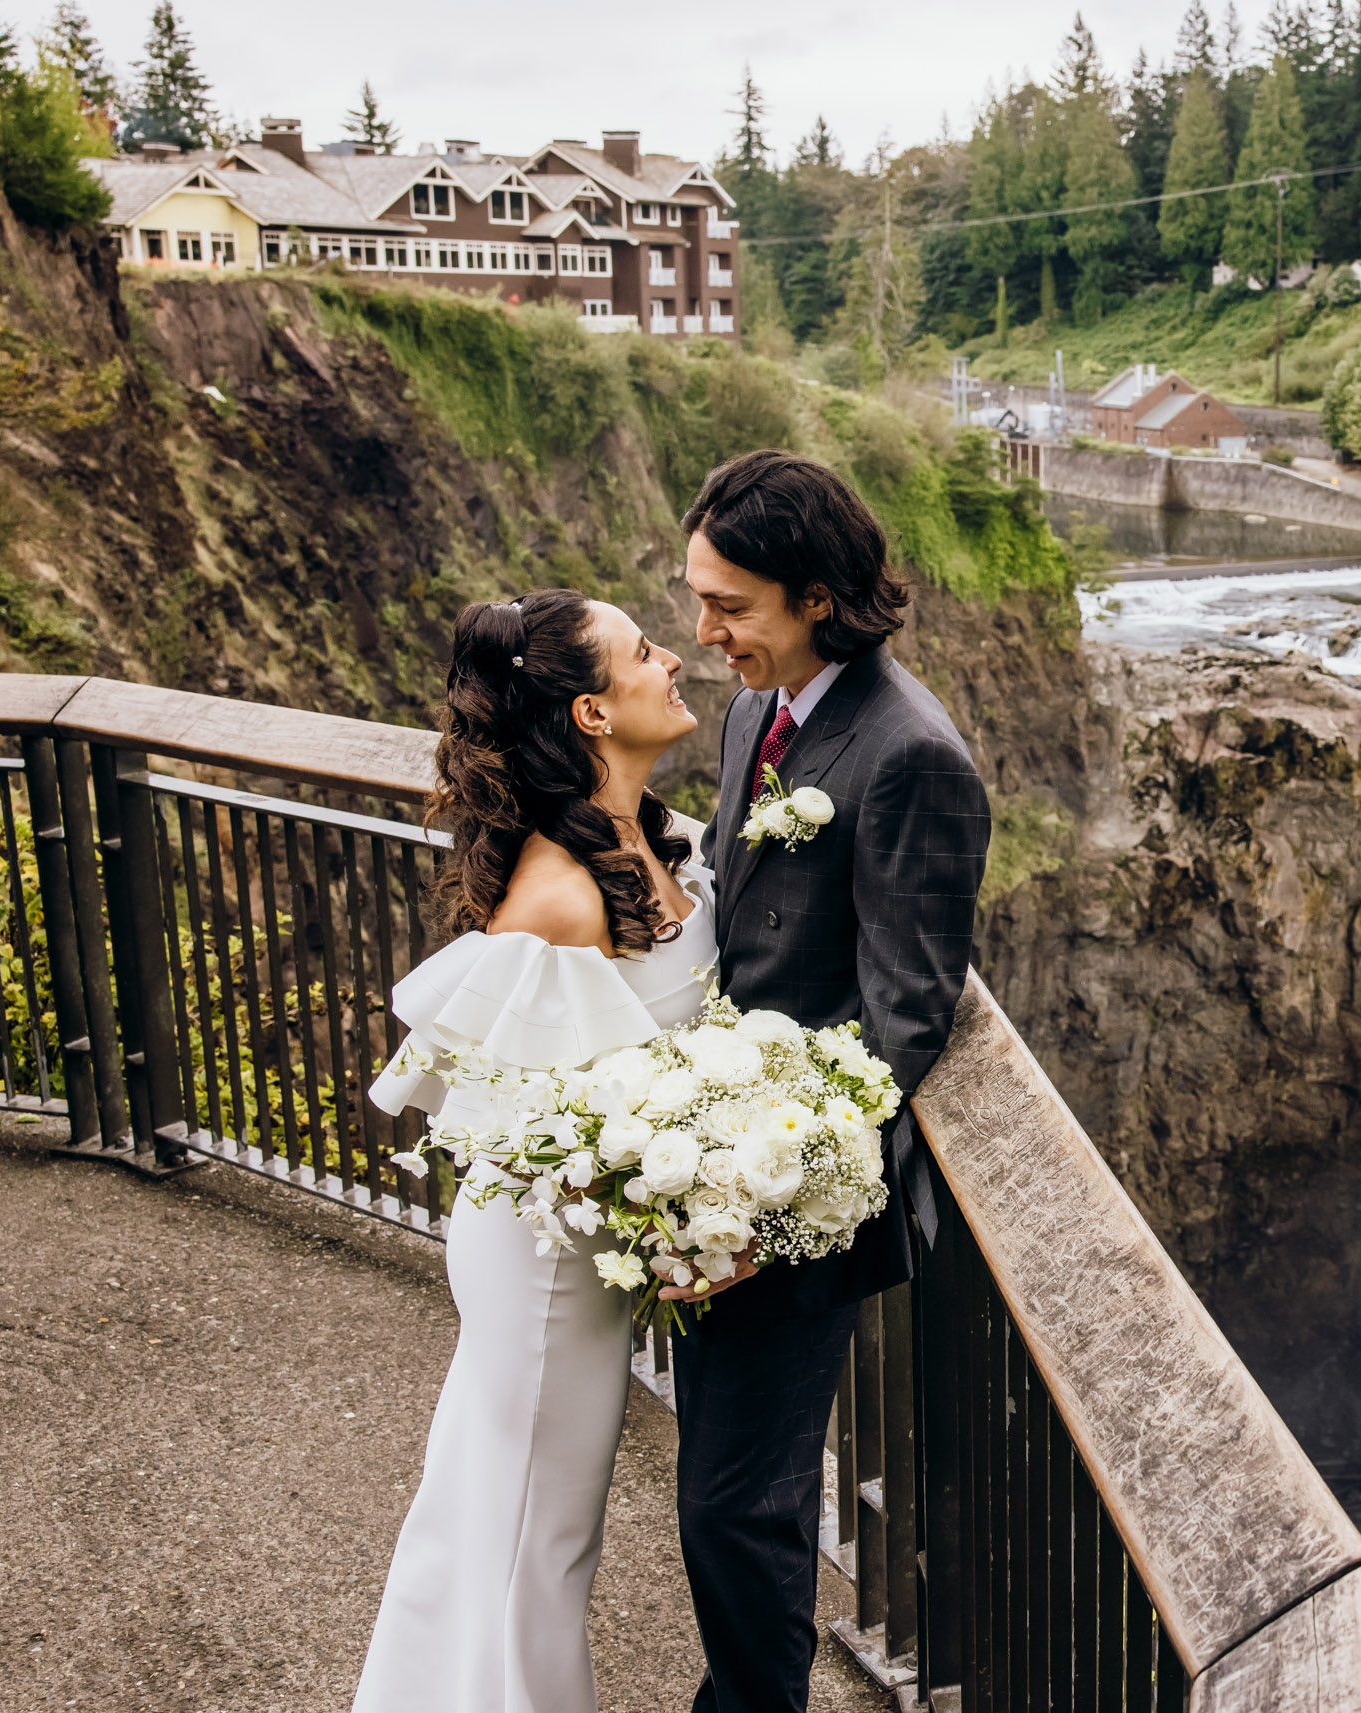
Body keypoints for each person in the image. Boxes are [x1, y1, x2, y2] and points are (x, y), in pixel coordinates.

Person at [670, 448, 989, 1713]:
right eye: (699, 598)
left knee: (738, 1503)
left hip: (794, 1193)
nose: (704, 634)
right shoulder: (764, 709)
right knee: (723, 1486)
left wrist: (765, 1192)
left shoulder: (912, 755)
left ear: (814, 595)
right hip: (715, 1154)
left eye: (730, 607)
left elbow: (905, 1013)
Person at [355, 589, 711, 1712]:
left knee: (497, 1513)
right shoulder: (556, 902)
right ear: (595, 713)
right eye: (647, 652)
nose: (675, 660)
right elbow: (519, 1131)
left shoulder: (651, 839)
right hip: (546, 1265)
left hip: (576, 1254)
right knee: (532, 1538)